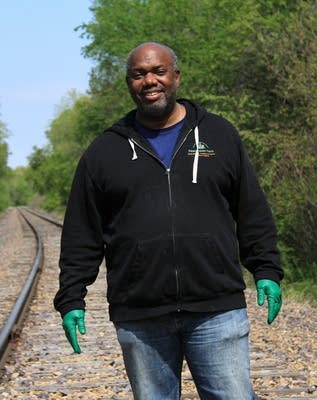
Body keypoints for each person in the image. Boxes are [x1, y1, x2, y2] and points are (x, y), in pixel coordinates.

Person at [54, 41, 283, 400]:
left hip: (217, 308)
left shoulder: (219, 135)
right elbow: (82, 233)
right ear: (128, 83)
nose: (149, 81)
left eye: (158, 71)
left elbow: (251, 211)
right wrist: (71, 298)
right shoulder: (105, 151)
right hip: (140, 315)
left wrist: (266, 269)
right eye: (139, 74)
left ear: (176, 77)